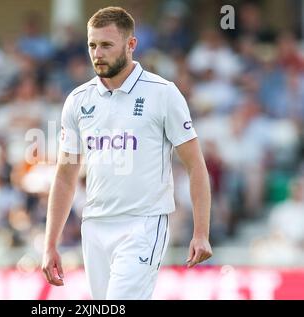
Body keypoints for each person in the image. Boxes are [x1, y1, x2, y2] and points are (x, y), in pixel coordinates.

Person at [42, 6, 212, 300]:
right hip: (94, 224)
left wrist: (201, 232)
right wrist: (50, 243)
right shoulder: (78, 100)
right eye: (92, 45)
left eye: (106, 45)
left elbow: (195, 165)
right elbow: (66, 174)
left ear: (131, 44)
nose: (97, 53)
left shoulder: (163, 93)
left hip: (143, 224)